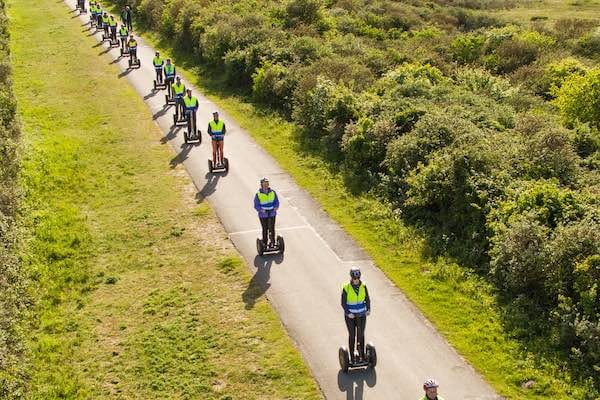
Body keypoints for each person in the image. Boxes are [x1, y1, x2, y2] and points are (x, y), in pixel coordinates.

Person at [341, 267, 370, 364]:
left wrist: (368, 309)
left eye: (358, 278)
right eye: (354, 278)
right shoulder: (346, 287)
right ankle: (352, 357)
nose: (356, 280)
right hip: (351, 316)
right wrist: (348, 313)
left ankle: (362, 355)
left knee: (361, 335)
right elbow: (343, 303)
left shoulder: (363, 286)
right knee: (352, 335)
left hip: (362, 315)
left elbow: (367, 298)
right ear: (351, 278)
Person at [253, 178, 279, 247]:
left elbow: (276, 201)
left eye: (267, 184)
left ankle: (273, 242)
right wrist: (261, 210)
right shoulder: (258, 194)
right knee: (265, 228)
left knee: (272, 228)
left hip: (272, 213)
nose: (266, 185)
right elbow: (256, 205)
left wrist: (276, 207)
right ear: (261, 185)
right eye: (264, 184)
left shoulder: (273, 192)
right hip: (263, 215)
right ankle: (264, 243)